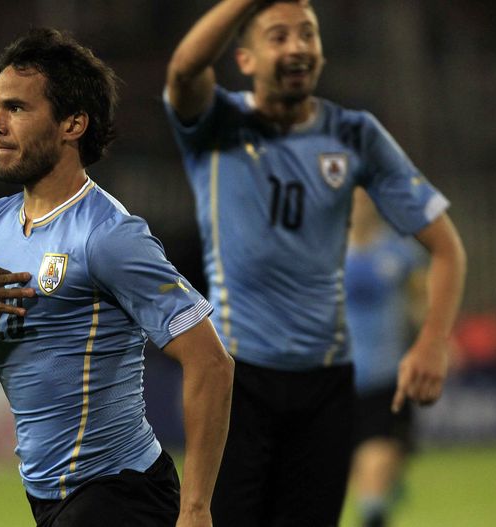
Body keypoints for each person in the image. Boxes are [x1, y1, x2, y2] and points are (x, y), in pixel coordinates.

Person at [0, 28, 234, 527]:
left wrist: (195, 509)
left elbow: (211, 362)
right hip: (50, 495)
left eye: (15, 108)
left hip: (117, 492)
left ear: (72, 124)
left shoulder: (107, 236)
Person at [163, 1, 467, 525]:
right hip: (238, 378)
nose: (298, 46)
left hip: (326, 387)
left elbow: (446, 249)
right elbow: (184, 70)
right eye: (278, 36)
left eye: (308, 34)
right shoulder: (218, 124)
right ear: (246, 59)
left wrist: (434, 340)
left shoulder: (355, 135)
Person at [346, 188, 426, 527]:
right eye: (354, 199)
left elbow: (422, 302)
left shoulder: (400, 251)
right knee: (366, 454)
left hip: (386, 371)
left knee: (388, 449)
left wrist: (434, 343)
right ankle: (373, 508)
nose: (361, 206)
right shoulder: (324, 252)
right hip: (338, 372)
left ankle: (374, 503)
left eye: (366, 199)